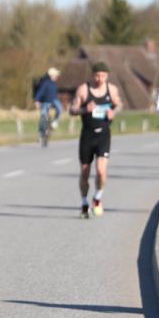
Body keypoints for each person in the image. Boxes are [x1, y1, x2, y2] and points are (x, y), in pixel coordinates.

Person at [69, 62, 122, 218]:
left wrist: (113, 111)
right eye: (97, 75)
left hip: (103, 135)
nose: (100, 78)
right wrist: (85, 109)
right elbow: (72, 110)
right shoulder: (84, 89)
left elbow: (119, 105)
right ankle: (84, 202)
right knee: (85, 172)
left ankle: (97, 197)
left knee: (101, 170)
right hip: (87, 135)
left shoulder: (111, 89)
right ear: (93, 75)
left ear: (107, 76)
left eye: (103, 76)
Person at [34, 67, 63, 134]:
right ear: (51, 75)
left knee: (60, 110)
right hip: (45, 101)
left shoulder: (54, 83)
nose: (57, 76)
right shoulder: (45, 83)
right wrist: (37, 100)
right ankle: (41, 132)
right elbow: (40, 92)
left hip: (54, 101)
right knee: (43, 116)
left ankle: (54, 123)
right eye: (55, 75)